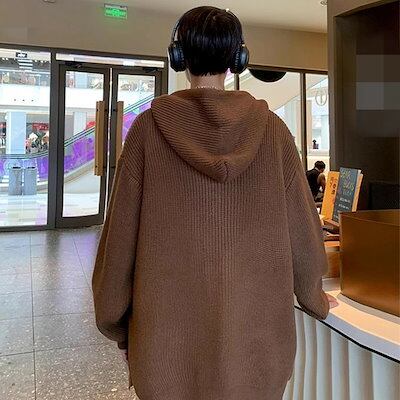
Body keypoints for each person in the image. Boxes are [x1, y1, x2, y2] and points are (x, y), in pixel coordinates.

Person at [92, 6, 338, 400]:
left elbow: (119, 240)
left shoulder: (146, 131)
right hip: (258, 351)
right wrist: (314, 297)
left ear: (178, 56)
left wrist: (117, 322)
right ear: (238, 58)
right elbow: (304, 232)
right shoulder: (274, 132)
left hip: (165, 348)